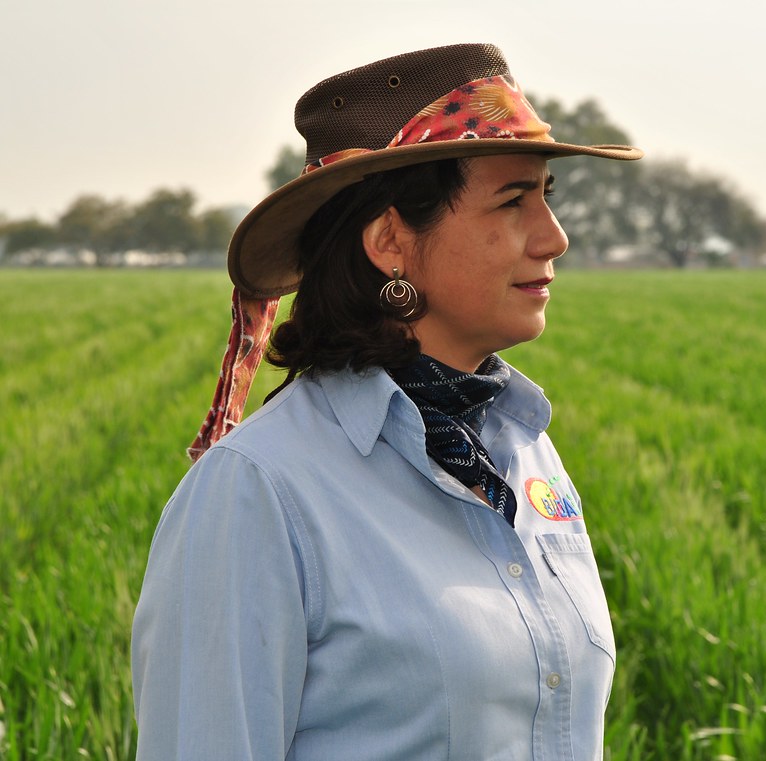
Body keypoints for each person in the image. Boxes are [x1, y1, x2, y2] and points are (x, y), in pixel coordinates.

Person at [131, 42, 642, 760]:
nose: (554, 238)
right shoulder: (257, 493)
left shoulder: (521, 445)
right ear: (390, 241)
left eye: (546, 197)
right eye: (512, 200)